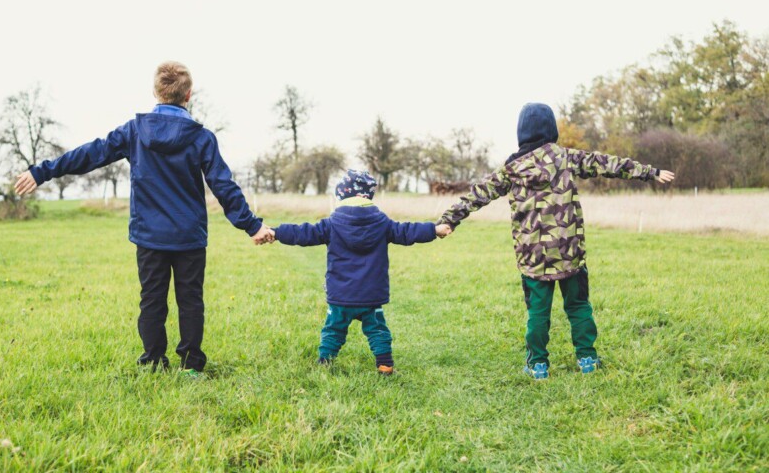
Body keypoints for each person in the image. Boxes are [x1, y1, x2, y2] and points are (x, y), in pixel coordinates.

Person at [13, 61, 274, 377]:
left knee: (152, 302)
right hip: (189, 236)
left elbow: (89, 154)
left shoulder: (135, 132)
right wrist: (252, 225)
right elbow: (223, 185)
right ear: (188, 95)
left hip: (150, 236)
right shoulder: (201, 137)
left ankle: (152, 362)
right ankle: (191, 366)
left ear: (155, 91)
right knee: (190, 301)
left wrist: (41, 171)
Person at [436, 103, 675, 380]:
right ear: (552, 129)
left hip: (533, 259)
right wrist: (650, 172)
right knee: (578, 306)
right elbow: (606, 163)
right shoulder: (565, 158)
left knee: (537, 313)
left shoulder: (511, 169)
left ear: (521, 133)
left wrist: (449, 219)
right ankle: (587, 358)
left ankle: (538, 364)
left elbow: (477, 194)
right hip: (569, 253)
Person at [267, 169, 450, 375]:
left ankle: (324, 362)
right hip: (371, 295)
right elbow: (407, 231)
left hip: (341, 296)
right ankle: (385, 364)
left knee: (333, 330)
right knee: (377, 330)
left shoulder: (332, 224)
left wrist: (277, 232)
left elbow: (303, 232)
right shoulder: (382, 223)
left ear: (342, 196)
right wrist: (434, 230)